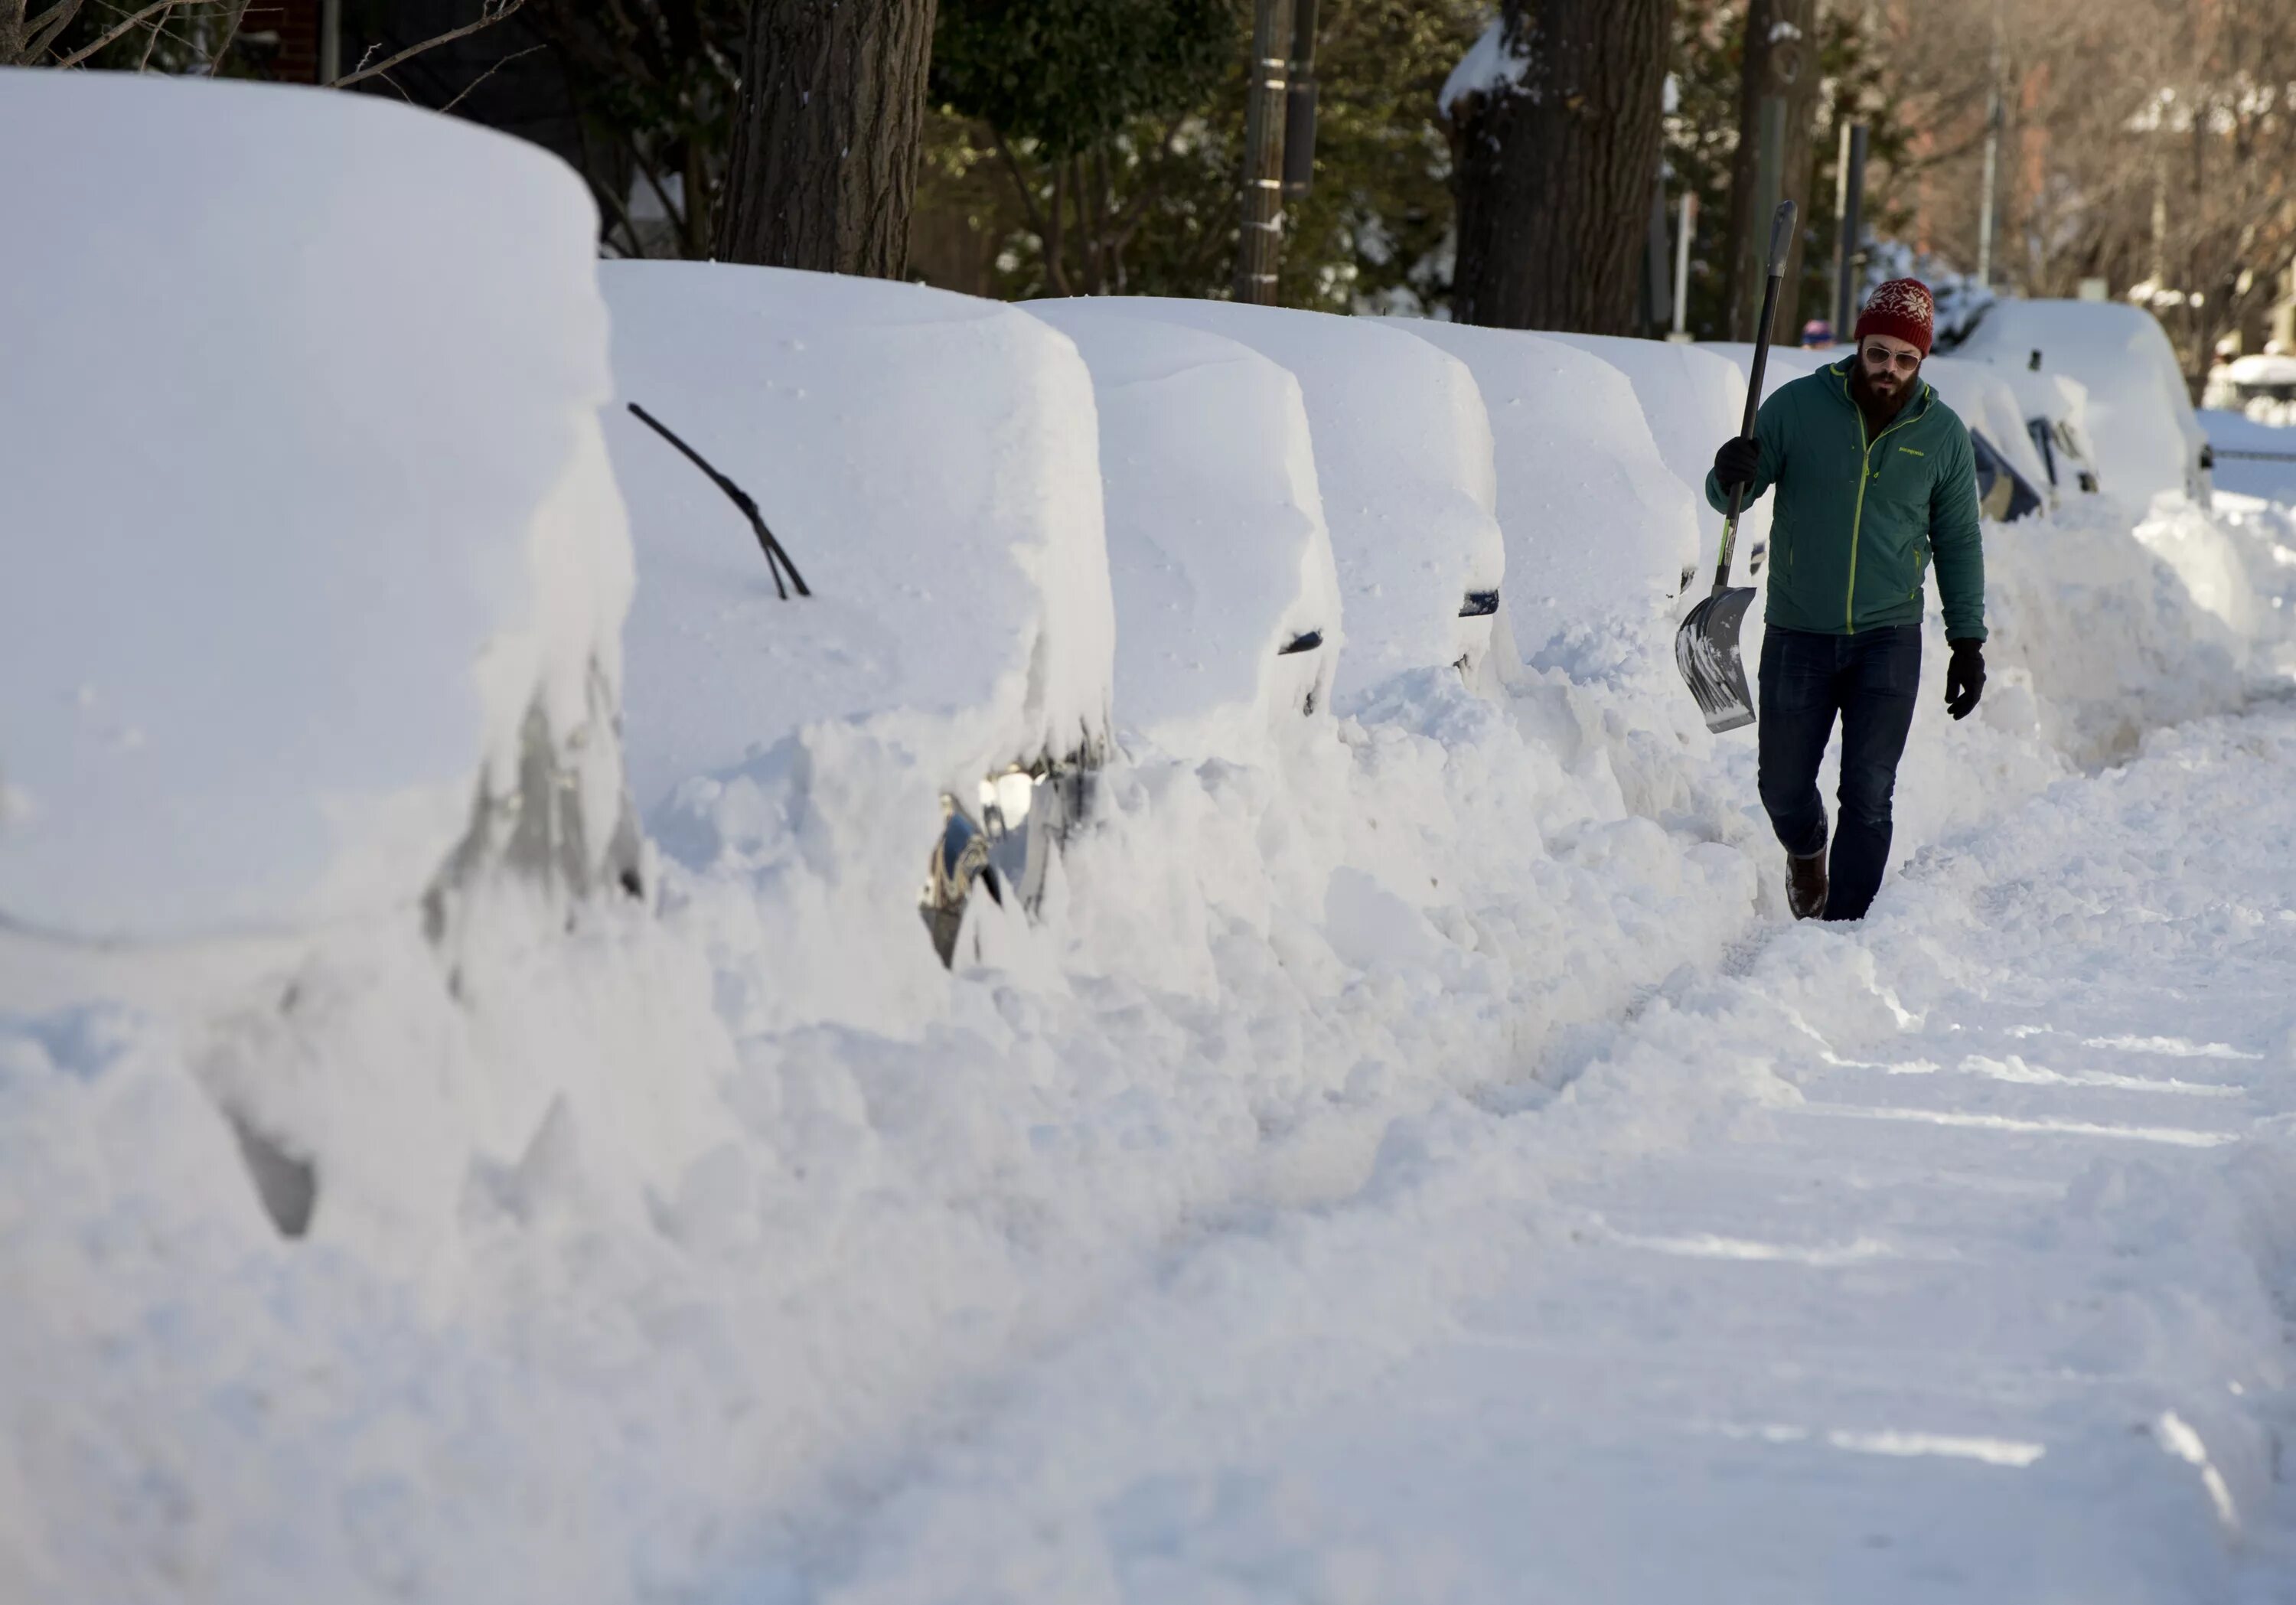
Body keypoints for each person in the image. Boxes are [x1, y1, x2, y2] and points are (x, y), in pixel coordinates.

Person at [1707, 278, 1987, 922]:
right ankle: (1807, 850)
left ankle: (1845, 930)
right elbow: (1733, 498)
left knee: (1868, 791)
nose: (1889, 369)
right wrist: (1730, 472)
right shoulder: (1796, 409)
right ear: (1860, 344)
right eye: (1879, 353)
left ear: (1922, 361)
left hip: (1888, 637)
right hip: (1798, 630)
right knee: (1780, 785)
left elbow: (1960, 540)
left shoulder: (1941, 434)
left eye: (1905, 358)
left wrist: (1967, 641)